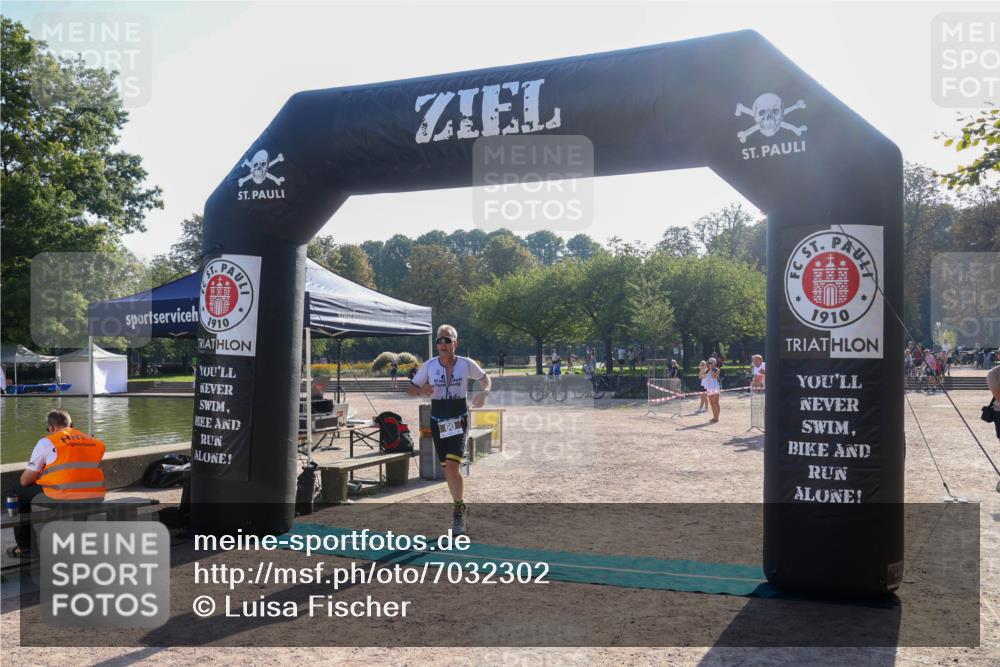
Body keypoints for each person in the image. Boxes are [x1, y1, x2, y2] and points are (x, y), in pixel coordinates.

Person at [407, 325, 491, 536]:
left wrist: (484, 392)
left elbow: (485, 379)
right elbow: (409, 388)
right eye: (439, 340)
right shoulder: (429, 365)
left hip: (458, 419)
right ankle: (460, 506)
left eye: (447, 340)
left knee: (453, 466)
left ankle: (457, 511)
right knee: (447, 469)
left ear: (455, 343)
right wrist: (419, 390)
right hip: (437, 420)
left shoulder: (466, 364)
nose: (442, 344)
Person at [7, 409, 106, 558]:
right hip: (96, 496)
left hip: (64, 496)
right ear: (72, 424)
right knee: (80, 494)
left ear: (52, 427)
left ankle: (25, 547)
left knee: (17, 491)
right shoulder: (96, 443)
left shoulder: (48, 442)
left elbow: (25, 480)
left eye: (48, 429)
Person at [704, 358, 722, 422]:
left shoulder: (717, 369)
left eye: (710, 363)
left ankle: (717, 418)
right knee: (711, 403)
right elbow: (702, 376)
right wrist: (702, 369)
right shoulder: (707, 370)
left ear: (714, 363)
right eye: (708, 363)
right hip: (709, 388)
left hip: (715, 388)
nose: (709, 364)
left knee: (716, 403)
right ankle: (714, 417)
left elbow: (714, 376)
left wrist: (712, 369)